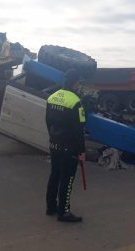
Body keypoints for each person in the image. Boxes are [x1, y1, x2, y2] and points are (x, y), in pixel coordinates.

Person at [45, 69, 86, 223]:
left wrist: (53, 138)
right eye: (78, 82)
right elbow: (79, 130)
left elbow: (48, 121)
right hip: (69, 148)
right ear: (75, 82)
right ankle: (64, 212)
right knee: (67, 180)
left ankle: (51, 207)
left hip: (54, 145)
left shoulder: (52, 97)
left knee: (54, 175)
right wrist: (81, 151)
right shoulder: (75, 101)